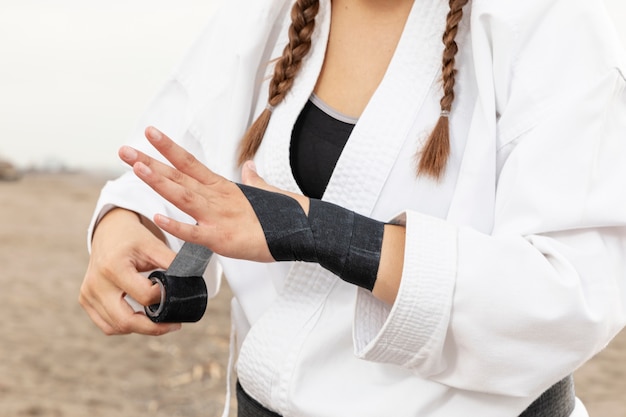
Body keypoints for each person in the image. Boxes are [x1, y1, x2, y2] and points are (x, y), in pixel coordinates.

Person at [79, 0, 626, 415]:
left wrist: (322, 233)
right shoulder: (265, 11)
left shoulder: (554, 19)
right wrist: (124, 224)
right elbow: (177, 155)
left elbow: (572, 294)